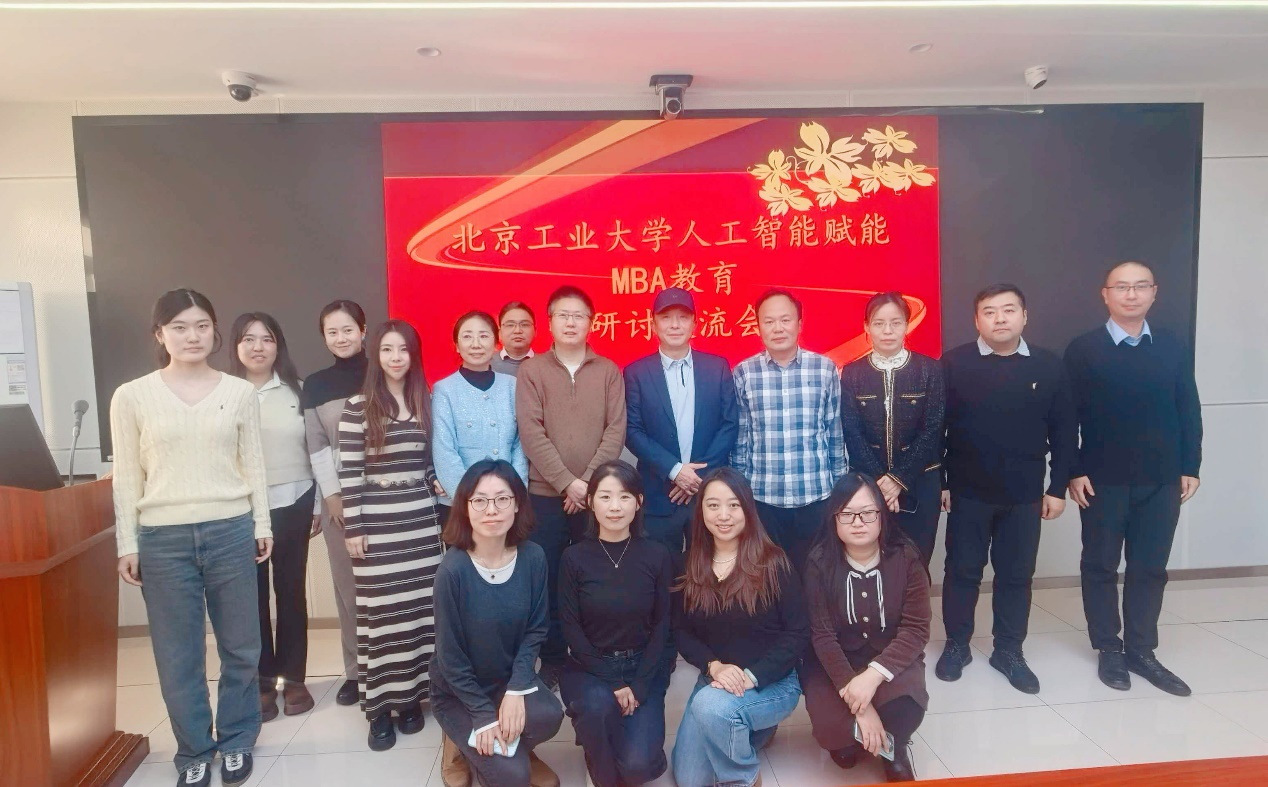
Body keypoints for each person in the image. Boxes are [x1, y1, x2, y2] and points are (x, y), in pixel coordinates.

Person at [113, 288, 271, 787]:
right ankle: (195, 750)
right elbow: (126, 475)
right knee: (178, 654)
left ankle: (238, 738)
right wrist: (127, 543)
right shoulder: (132, 396)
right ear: (160, 334)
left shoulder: (238, 392)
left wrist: (261, 524)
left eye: (202, 325)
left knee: (241, 646)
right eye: (179, 327)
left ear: (214, 331)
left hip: (230, 529)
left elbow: (254, 464)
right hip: (163, 539)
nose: (192, 336)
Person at [1065, 261, 1203, 697]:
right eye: (1122, 287)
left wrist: (1190, 465)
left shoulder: (1172, 345)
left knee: (1150, 568)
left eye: (1140, 286)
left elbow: (1188, 407)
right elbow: (1066, 418)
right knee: (1100, 565)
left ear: (1154, 292)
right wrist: (1072, 469)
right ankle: (1109, 647)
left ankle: (1142, 651)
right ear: (1105, 294)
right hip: (1101, 480)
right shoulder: (1084, 349)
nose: (1131, 294)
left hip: (1161, 479)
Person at [936, 284, 1077, 695]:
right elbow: (936, 428)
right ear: (976, 320)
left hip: (1025, 494)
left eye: (1009, 310)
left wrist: (1057, 488)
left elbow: (1065, 430)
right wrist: (942, 482)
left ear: (1024, 316)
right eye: (990, 311)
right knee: (961, 572)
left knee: (1017, 575)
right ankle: (957, 645)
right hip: (967, 492)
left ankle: (1009, 650)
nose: (1000, 318)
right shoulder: (954, 363)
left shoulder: (1049, 365)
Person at [339, 320, 445, 751]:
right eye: (387, 349)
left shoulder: (424, 400)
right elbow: (349, 472)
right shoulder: (358, 405)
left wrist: (437, 479)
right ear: (376, 355)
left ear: (414, 354)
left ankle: (411, 699)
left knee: (420, 613)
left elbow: (429, 460)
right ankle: (380, 708)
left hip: (420, 522)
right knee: (382, 616)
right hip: (377, 527)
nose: (396, 357)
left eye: (403, 349)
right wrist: (354, 526)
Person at [516, 285, 627, 689]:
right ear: (549, 322)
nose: (570, 322)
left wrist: (588, 487)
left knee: (595, 579)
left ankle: (593, 654)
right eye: (562, 315)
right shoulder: (532, 371)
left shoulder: (609, 371)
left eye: (578, 315)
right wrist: (567, 483)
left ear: (591, 323)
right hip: (546, 497)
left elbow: (616, 431)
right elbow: (531, 433)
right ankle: (552, 658)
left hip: (598, 500)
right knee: (547, 579)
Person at [431, 459, 564, 787]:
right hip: (459, 691)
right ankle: (461, 742)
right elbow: (450, 657)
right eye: (479, 500)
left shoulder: (533, 557)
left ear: (517, 504)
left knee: (549, 715)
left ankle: (517, 747)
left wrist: (516, 689)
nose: (491, 509)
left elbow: (536, 630)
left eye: (502, 498)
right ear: (465, 508)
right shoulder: (452, 571)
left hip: (507, 680)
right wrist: (482, 714)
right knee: (513, 777)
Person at [671, 467, 808, 787]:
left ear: (748, 509)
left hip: (771, 682)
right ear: (700, 510)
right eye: (713, 505)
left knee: (711, 709)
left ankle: (744, 777)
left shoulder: (774, 561)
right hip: (717, 680)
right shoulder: (687, 563)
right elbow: (680, 631)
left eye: (733, 505)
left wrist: (751, 676)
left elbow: (798, 632)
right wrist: (713, 666)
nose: (724, 515)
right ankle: (746, 728)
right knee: (690, 780)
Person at [802, 473, 930, 782]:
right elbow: (822, 635)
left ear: (882, 515)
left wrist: (872, 677)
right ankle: (859, 737)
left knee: (905, 709)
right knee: (832, 733)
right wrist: (860, 705)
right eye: (847, 513)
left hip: (889, 660)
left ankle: (894, 749)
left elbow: (916, 629)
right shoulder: (819, 562)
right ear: (834, 518)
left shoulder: (907, 558)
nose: (858, 522)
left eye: (868, 512)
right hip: (835, 664)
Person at [559, 461, 674, 787]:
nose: (614, 507)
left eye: (624, 497)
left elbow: (663, 626)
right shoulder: (573, 558)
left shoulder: (657, 555)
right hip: (590, 668)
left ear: (639, 502)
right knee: (598, 714)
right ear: (590, 502)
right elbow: (570, 628)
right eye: (605, 497)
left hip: (643, 666)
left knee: (638, 767)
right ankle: (594, 738)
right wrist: (613, 681)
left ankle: (617, 736)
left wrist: (639, 685)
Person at [229, 312, 320, 722]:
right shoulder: (224, 393)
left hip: (294, 500)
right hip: (243, 508)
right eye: (248, 339)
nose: (258, 347)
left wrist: (317, 505)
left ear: (278, 345)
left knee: (291, 591)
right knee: (252, 597)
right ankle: (264, 682)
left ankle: (294, 678)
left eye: (266, 339)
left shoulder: (297, 390)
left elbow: (316, 448)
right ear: (236, 346)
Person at [733, 289, 847, 574]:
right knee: (768, 578)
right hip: (763, 499)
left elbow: (835, 434)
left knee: (816, 576)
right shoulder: (744, 373)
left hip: (816, 496)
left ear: (799, 323)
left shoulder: (825, 370)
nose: (778, 328)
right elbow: (740, 441)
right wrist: (740, 495)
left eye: (785, 320)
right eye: (769, 321)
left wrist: (840, 493)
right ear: (758, 327)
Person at [624, 287, 738, 556]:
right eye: (666, 318)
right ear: (653, 324)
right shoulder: (635, 372)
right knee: (660, 570)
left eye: (683, 317)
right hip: (659, 494)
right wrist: (675, 471)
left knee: (712, 568)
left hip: (708, 494)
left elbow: (729, 424)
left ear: (695, 324)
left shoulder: (717, 367)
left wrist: (695, 478)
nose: (675, 325)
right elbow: (632, 430)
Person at [840, 292, 945, 566]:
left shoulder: (930, 369)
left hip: (920, 481)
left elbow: (933, 429)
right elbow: (852, 432)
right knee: (871, 562)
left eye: (895, 323)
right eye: (879, 323)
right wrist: (881, 484)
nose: (887, 331)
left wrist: (898, 479)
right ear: (866, 326)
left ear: (907, 325)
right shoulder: (852, 373)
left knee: (916, 562)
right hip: (868, 484)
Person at [301, 299, 369, 708]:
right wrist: (332, 497)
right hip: (338, 501)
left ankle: (406, 670)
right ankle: (358, 672)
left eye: (348, 329)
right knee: (349, 590)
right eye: (333, 332)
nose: (341, 338)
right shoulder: (315, 384)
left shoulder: (387, 370)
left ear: (363, 330)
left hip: (388, 497)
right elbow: (317, 446)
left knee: (396, 589)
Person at [432, 310, 529, 524]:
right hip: (459, 505)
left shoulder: (512, 386)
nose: (476, 344)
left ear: (496, 343)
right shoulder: (444, 390)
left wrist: (515, 495)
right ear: (457, 346)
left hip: (506, 503)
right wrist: (472, 500)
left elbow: (520, 445)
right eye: (467, 336)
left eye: (484, 336)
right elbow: (444, 450)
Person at [492, 301, 537, 377]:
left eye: (524, 324)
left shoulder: (546, 365)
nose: (517, 331)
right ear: (499, 332)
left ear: (535, 331)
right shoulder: (486, 365)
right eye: (510, 325)